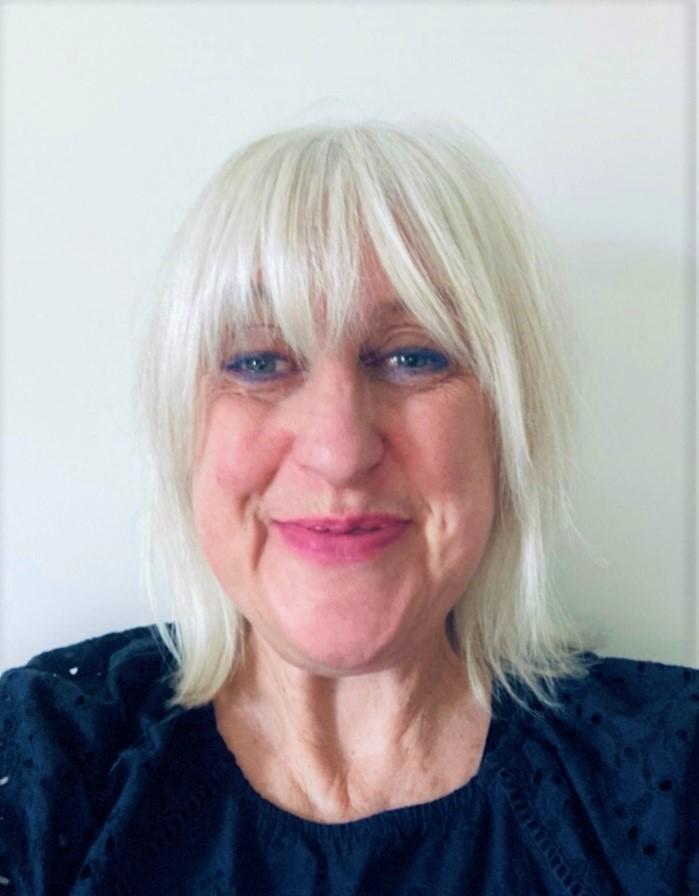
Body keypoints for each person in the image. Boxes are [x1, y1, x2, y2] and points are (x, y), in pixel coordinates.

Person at [0, 122, 697, 896]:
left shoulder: (675, 777)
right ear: (182, 429)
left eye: (412, 356)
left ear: (506, 427)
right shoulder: (44, 765)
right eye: (259, 361)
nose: (337, 449)